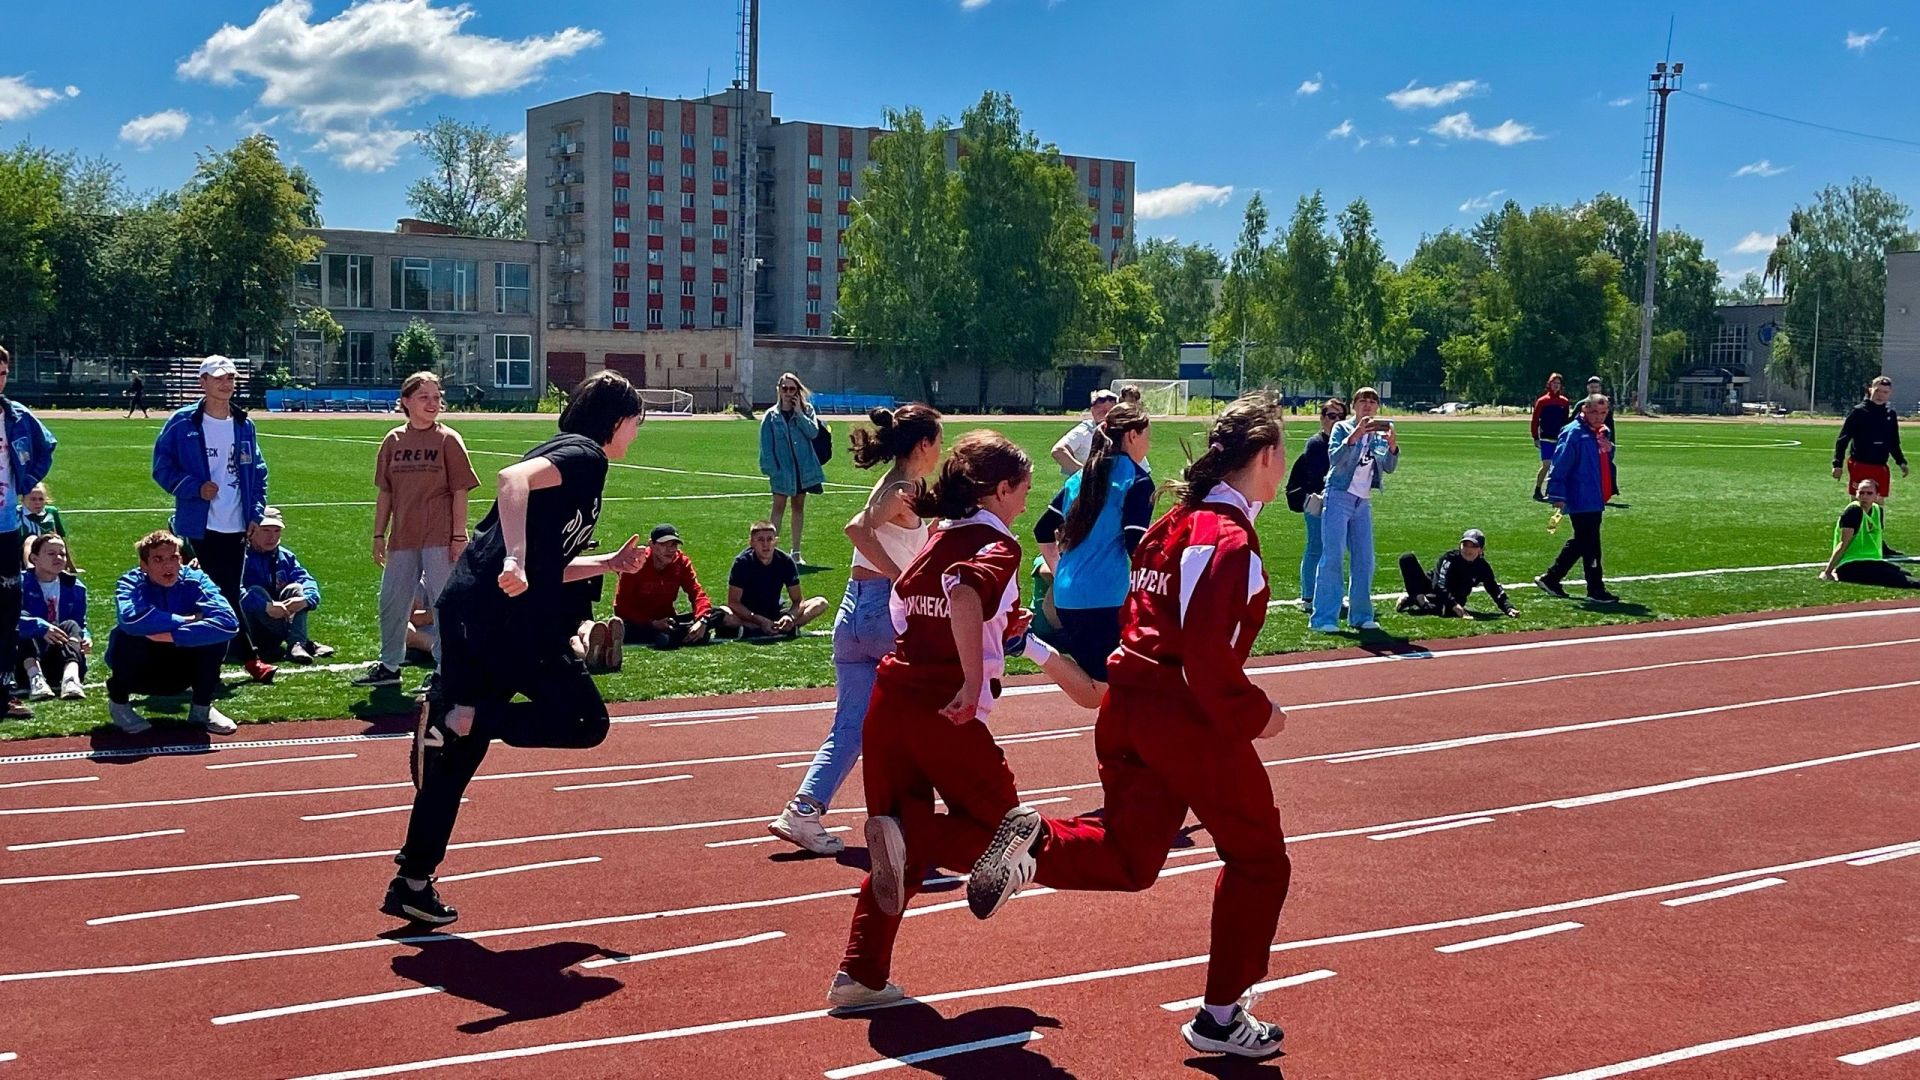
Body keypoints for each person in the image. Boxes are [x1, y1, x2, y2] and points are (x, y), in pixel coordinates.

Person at [963, 393, 1294, 1060]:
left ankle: (1039, 842)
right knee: (1260, 860)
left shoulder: (1176, 521)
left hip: (1128, 701)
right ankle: (1221, 1017)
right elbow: (1204, 655)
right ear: (1264, 457)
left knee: (1132, 856)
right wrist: (1259, 714)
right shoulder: (1225, 539)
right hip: (1183, 713)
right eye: (1281, 451)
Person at [828, 430, 1107, 1012]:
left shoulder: (937, 538)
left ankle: (860, 974)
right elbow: (962, 596)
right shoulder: (996, 546)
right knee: (1013, 828)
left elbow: (910, 603)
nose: (1028, 503)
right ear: (999, 490)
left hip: (891, 701)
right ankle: (913, 836)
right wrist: (973, 677)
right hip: (942, 712)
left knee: (894, 855)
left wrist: (998, 632)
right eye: (1024, 491)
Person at [385, 372, 649, 927]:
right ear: (619, 420)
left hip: (489, 616)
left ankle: (413, 879)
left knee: (459, 749)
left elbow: (548, 566)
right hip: (498, 620)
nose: (637, 434)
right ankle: (465, 716)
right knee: (584, 722)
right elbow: (511, 480)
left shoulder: (579, 463)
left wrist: (606, 565)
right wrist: (514, 558)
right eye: (637, 423)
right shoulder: (584, 455)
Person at [770, 404, 942, 855]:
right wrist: (900, 576)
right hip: (881, 613)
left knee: (850, 727)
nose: (940, 449)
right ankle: (912, 820)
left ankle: (804, 810)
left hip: (854, 615)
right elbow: (857, 529)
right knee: (925, 711)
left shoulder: (900, 487)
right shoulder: (902, 488)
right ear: (923, 445)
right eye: (938, 441)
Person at [151, 356, 274, 684]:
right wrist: (193, 488)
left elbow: (258, 472)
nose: (226, 383)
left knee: (224, 592)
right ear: (202, 382)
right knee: (221, 594)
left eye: (231, 377)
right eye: (219, 377)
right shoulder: (182, 422)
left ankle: (214, 661)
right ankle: (245, 659)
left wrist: (255, 513)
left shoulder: (243, 423)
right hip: (200, 524)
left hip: (237, 525)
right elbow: (161, 467)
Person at [365, 372, 480, 688]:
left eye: (436, 397)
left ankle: (447, 670)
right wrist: (378, 534)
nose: (432, 403)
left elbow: (460, 491)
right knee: (391, 601)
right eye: (424, 397)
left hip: (440, 537)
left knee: (445, 605)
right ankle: (389, 666)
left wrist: (459, 535)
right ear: (406, 402)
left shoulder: (448, 440)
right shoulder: (393, 440)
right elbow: (385, 492)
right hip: (402, 537)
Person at [1032, 402, 1154, 679]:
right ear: (1132, 436)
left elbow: (1042, 529)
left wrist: (1058, 568)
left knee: (1100, 685)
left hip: (1066, 597)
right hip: (1107, 599)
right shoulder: (1137, 480)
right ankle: (1031, 648)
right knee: (1118, 684)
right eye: (1147, 436)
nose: (1149, 444)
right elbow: (1136, 543)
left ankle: (1035, 649)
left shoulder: (1080, 477)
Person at [104, 530, 239, 736]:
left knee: (216, 639)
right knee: (126, 637)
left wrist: (175, 636)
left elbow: (228, 623)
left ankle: (201, 710)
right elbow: (132, 620)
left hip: (183, 666)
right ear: (144, 565)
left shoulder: (196, 580)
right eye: (158, 559)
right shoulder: (131, 582)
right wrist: (187, 619)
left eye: (173, 558)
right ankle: (119, 705)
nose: (168, 565)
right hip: (142, 670)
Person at [0, 345, 58, 720]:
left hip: (5, 527)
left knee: (6, 610)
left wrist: (29, 479)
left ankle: (3, 690)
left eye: (2, 373)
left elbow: (47, 445)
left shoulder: (16, 415)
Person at [1310, 387, 1397, 633]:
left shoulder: (1381, 433)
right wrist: (1354, 438)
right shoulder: (1342, 428)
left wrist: (1392, 446)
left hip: (1363, 500)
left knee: (1365, 560)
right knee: (1333, 557)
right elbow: (1335, 459)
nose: (1367, 405)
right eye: (1362, 400)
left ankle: (1360, 615)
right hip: (1338, 495)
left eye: (1372, 401)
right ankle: (1324, 618)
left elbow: (1389, 467)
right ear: (1354, 405)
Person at [1536, 394, 1620, 604]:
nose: (1598, 417)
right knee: (1591, 543)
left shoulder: (1602, 432)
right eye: (1593, 412)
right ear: (1584, 409)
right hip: (1579, 495)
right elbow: (1560, 463)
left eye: (1602, 413)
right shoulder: (1573, 432)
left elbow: (1604, 460)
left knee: (1582, 540)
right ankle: (1595, 588)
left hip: (1596, 494)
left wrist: (1610, 449)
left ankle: (1551, 578)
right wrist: (1557, 494)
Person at [613, 524, 730, 649]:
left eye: (674, 545)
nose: (671, 550)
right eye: (664, 545)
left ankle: (678, 635)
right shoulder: (636, 563)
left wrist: (702, 620)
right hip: (641, 622)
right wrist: (652, 623)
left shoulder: (681, 562)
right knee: (623, 627)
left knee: (717, 613)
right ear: (651, 544)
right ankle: (688, 636)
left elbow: (696, 593)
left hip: (669, 620)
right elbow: (621, 608)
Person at [239, 507, 332, 664]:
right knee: (256, 591)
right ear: (252, 531)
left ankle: (296, 644)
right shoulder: (240, 557)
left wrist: (306, 600)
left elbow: (307, 580)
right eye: (266, 530)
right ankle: (303, 642)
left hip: (280, 618)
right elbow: (234, 592)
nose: (272, 537)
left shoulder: (285, 556)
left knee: (297, 589)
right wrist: (266, 606)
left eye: (276, 531)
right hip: (251, 629)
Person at [759, 371, 825, 565]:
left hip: (802, 471)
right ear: (779, 390)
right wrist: (773, 471)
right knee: (778, 508)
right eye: (785, 388)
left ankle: (796, 553)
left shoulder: (807, 410)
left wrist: (799, 414)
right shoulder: (771, 416)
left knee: (798, 507)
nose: (788, 392)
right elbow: (766, 447)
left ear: (798, 391)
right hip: (782, 471)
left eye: (792, 389)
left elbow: (813, 433)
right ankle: (771, 551)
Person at [1285, 398, 1344, 613]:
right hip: (1318, 502)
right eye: (1331, 416)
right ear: (1322, 418)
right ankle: (1308, 596)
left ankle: (1333, 594)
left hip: (1339, 503)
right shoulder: (1316, 444)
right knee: (1315, 548)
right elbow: (1316, 476)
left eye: (1340, 416)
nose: (1336, 420)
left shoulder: (1346, 441)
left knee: (1334, 551)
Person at [16, 534, 88, 701]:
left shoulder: (75, 587)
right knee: (24, 622)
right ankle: (36, 679)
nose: (58, 558)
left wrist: (86, 638)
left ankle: (71, 679)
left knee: (71, 624)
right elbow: (6, 619)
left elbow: (80, 624)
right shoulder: (18, 583)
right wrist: (40, 626)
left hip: (59, 654)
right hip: (22, 658)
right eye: (51, 554)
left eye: (62, 554)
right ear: (34, 558)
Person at [726, 523, 829, 637]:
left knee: (820, 602)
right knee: (723, 614)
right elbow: (733, 602)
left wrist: (790, 616)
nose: (766, 544)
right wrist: (758, 619)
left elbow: (798, 600)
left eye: (770, 539)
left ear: (776, 541)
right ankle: (771, 628)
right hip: (749, 615)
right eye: (760, 540)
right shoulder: (742, 563)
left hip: (776, 612)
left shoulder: (785, 561)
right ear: (751, 543)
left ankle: (780, 627)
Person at [1397, 529, 1520, 618]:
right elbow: (1439, 585)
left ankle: (1413, 600)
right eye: (1465, 545)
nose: (1468, 549)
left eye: (1473, 546)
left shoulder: (1482, 566)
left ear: (1481, 550)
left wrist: (1508, 608)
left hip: (1456, 596)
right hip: (1431, 587)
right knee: (1407, 559)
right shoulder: (1449, 558)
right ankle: (1420, 599)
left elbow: (1493, 588)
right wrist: (1455, 606)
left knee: (1447, 611)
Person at [1820, 479, 1919, 587]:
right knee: (1904, 581)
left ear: (1877, 495)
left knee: (1903, 573)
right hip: (1852, 564)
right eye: (1861, 493)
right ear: (1857, 494)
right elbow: (1843, 543)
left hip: (1872, 561)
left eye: (1869, 493)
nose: (1864, 496)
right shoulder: (1853, 511)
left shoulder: (1877, 510)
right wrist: (1828, 571)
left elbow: (1875, 536)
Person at [1834, 376, 1908, 506]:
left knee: (1879, 504)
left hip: (1880, 466)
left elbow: (1893, 442)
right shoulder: (1859, 412)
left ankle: (1876, 527)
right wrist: (1837, 464)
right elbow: (1843, 439)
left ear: (1890, 393)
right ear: (1870, 390)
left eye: (1885, 392)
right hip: (1860, 464)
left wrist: (1901, 462)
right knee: (1858, 503)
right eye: (1877, 391)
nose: (1880, 395)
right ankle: (1854, 526)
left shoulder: (1890, 414)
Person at [1050, 388, 1119, 475]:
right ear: (1092, 410)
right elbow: (1058, 451)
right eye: (1099, 408)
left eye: (1109, 409)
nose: (1104, 413)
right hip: (1088, 486)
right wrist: (1084, 475)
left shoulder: (1122, 432)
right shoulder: (1084, 431)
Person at [1530, 373, 1572, 502]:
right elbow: (1535, 420)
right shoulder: (1542, 401)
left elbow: (1566, 421)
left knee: (1558, 466)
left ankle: (1552, 490)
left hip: (1559, 439)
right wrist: (1535, 437)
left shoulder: (1564, 402)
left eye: (1558, 383)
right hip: (1546, 438)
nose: (1556, 385)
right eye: (1554, 383)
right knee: (1547, 464)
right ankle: (1537, 489)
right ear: (1549, 384)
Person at [1585, 375, 1620, 496]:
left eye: (1596, 386)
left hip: (1604, 438)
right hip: (1588, 439)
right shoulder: (1583, 404)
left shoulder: (1605, 402)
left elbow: (1609, 423)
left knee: (1607, 465)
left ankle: (1608, 489)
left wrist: (1610, 440)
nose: (1594, 389)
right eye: (1592, 386)